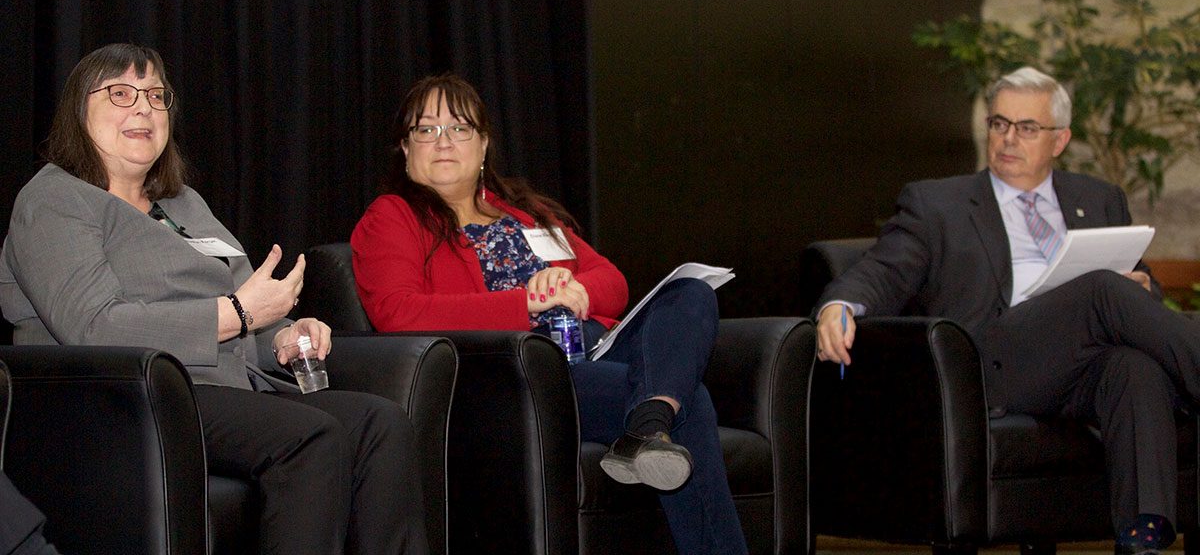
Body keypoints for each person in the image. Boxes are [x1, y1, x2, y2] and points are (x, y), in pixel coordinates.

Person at [0, 44, 427, 555]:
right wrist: (240, 313)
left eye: (157, 96)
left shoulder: (181, 202)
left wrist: (285, 336)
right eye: (121, 93)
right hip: (131, 400)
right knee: (313, 436)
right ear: (78, 110)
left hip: (228, 389)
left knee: (382, 423)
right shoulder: (54, 200)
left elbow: (248, 309)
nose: (144, 108)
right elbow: (94, 326)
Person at [352, 73, 747, 555]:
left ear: (483, 147)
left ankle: (646, 425)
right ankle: (651, 424)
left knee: (691, 293)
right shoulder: (391, 217)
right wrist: (527, 302)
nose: (443, 142)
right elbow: (398, 313)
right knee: (693, 401)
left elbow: (613, 283)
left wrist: (574, 285)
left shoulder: (521, 214)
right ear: (405, 149)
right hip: (516, 379)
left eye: (459, 129)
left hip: (590, 348)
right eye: (426, 130)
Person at [816, 65, 1200, 555]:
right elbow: (883, 270)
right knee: (1101, 288)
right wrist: (839, 305)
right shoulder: (938, 203)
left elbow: (1143, 292)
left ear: (1060, 140)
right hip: (991, 364)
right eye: (999, 124)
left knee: (1134, 366)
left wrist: (1144, 286)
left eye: (1027, 128)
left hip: (1076, 367)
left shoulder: (1098, 198)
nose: (1008, 139)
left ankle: (1143, 534)